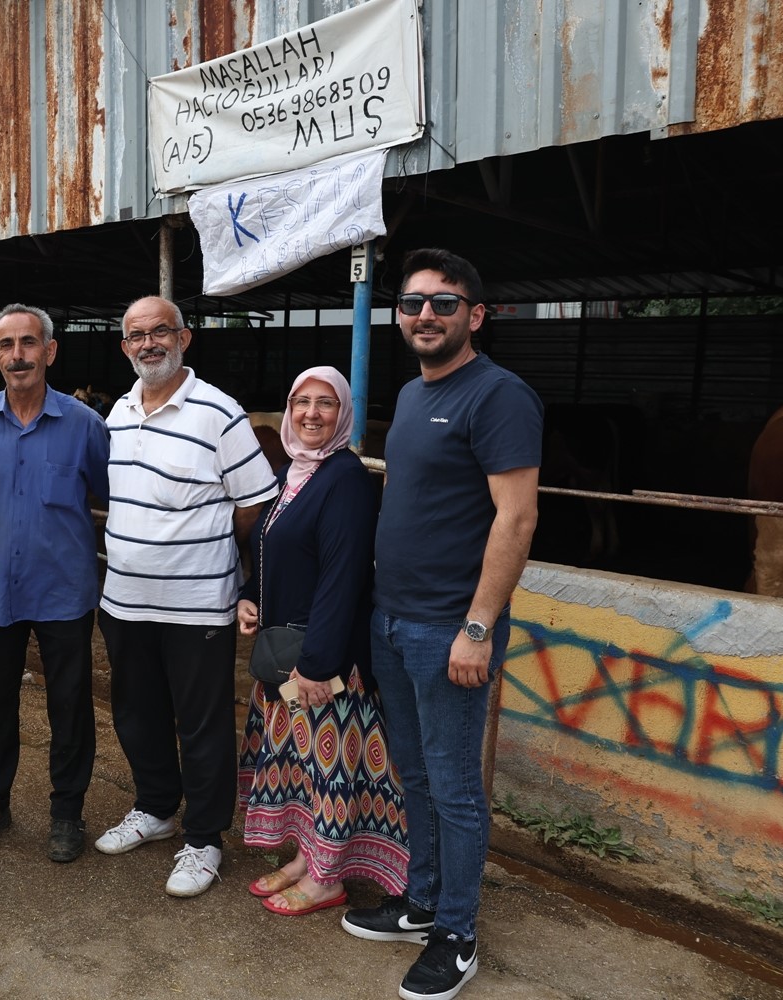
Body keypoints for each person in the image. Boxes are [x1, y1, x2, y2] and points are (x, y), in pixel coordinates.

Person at [341, 249, 541, 1000]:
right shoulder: (413, 393)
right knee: (416, 775)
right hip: (393, 622)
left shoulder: (498, 396)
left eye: (445, 303)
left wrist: (480, 627)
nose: (426, 314)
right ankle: (421, 901)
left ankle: (457, 930)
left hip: (449, 630)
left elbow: (517, 518)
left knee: (455, 786)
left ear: (476, 316)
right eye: (413, 302)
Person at [94, 295, 277, 897]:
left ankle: (203, 839)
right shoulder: (116, 413)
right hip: (123, 600)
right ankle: (155, 808)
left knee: (200, 723)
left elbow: (253, 503)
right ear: (124, 345)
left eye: (161, 332)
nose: (149, 343)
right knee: (137, 711)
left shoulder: (220, 414)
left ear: (185, 338)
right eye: (137, 334)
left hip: (196, 603)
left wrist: (206, 551)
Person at [236, 366, 409, 917]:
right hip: (290, 652)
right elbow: (273, 546)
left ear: (344, 415)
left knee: (330, 770)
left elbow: (343, 577)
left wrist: (315, 665)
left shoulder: (346, 479)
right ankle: (307, 858)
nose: (311, 413)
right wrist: (249, 595)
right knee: (305, 768)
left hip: (325, 662)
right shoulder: (294, 473)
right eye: (301, 402)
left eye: (325, 403)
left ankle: (328, 878)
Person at [0, 305, 109, 863]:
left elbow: (109, 494)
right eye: (7, 345)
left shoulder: (85, 425)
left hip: (64, 591)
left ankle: (67, 812)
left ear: (50, 351)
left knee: (70, 705)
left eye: (28, 343)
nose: (18, 355)